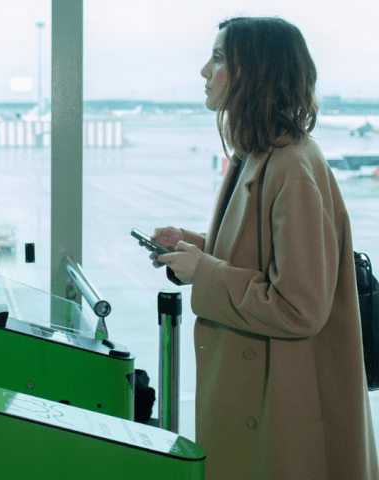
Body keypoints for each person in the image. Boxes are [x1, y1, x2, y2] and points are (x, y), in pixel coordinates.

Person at [143, 16, 379, 479]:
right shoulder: (257, 154)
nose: (203, 72)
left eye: (217, 58)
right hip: (256, 396)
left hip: (280, 411)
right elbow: (260, 256)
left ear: (254, 72)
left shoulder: (292, 166)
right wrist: (191, 248)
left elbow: (298, 304)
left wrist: (203, 271)